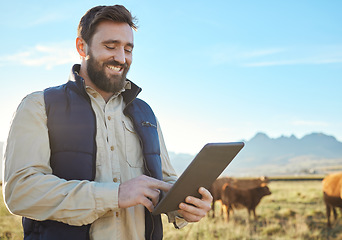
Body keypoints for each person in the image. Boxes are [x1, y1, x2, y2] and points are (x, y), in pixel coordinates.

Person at [3, 4, 212, 240]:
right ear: (81, 47)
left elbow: (165, 183)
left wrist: (187, 205)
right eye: (110, 46)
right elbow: (20, 191)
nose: (121, 58)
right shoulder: (38, 106)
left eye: (128, 49)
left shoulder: (147, 114)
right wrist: (116, 195)